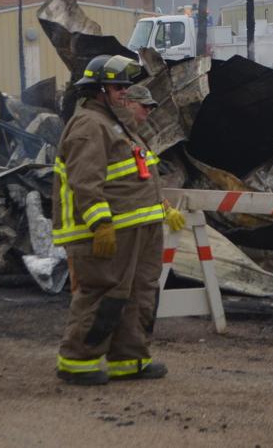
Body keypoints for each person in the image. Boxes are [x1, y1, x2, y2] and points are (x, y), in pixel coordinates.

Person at [52, 54, 186, 385]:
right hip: (113, 231)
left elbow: (138, 176)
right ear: (99, 91)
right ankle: (77, 361)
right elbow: (85, 180)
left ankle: (129, 359)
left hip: (138, 229)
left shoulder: (117, 125)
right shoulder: (89, 125)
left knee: (140, 293)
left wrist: (163, 208)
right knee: (105, 292)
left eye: (126, 88)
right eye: (118, 88)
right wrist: (100, 224)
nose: (125, 94)